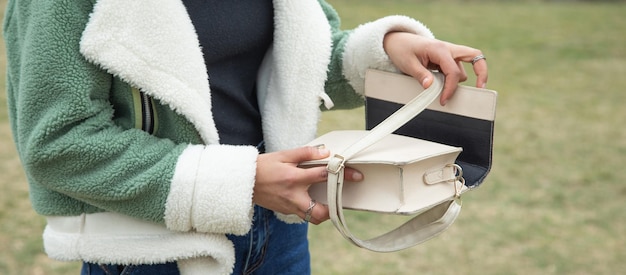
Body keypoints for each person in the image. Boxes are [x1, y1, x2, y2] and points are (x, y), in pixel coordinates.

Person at [3, 0, 488, 274]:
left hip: (279, 231)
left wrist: (384, 50)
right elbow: (60, 143)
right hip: (153, 252)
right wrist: (239, 181)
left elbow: (300, 62)